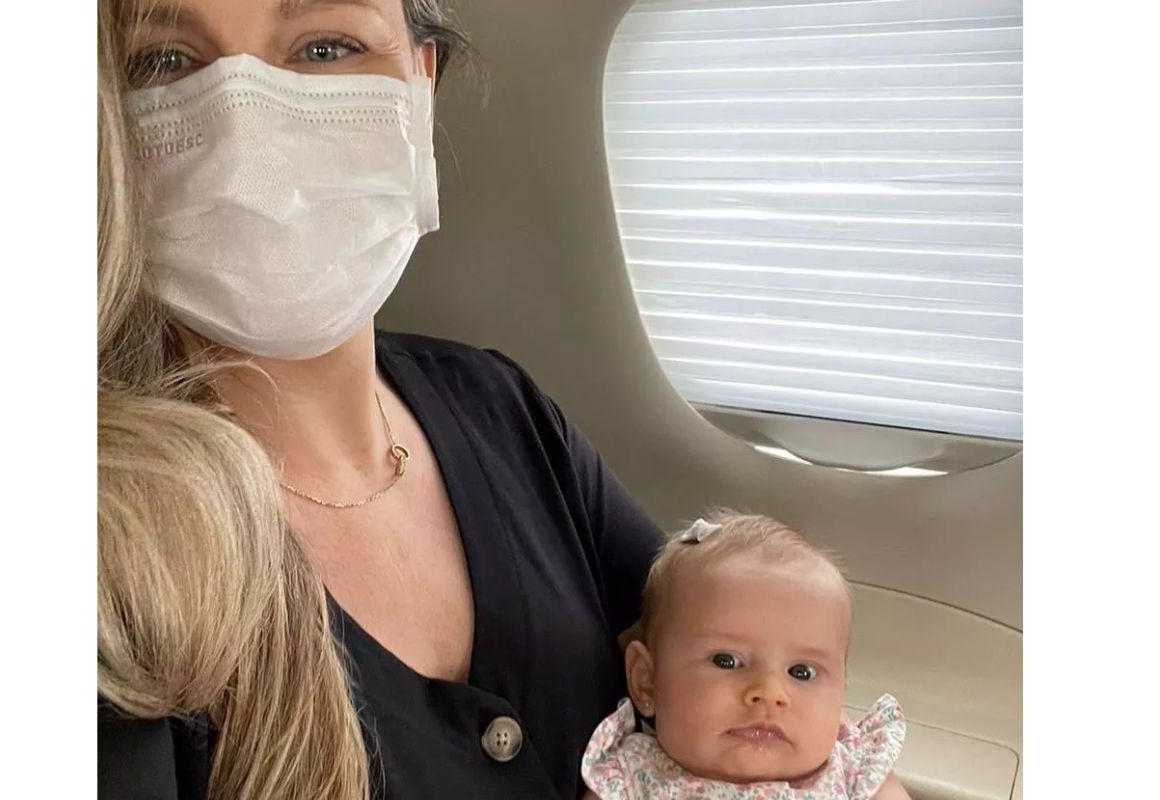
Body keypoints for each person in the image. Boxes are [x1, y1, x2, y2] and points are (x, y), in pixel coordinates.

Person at [95, 1, 911, 798]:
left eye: (326, 46)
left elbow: (751, 677)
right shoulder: (108, 551)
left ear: (421, 87)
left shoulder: (502, 408)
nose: (247, 129)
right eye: (163, 61)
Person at [581, 514, 907, 799]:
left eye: (802, 672)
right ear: (647, 682)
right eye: (727, 661)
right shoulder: (629, 777)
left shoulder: (856, 771)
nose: (770, 693)